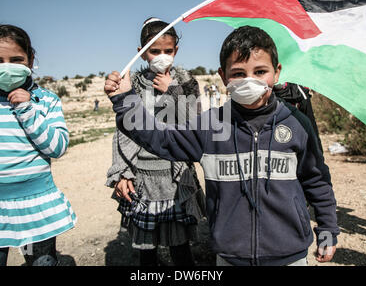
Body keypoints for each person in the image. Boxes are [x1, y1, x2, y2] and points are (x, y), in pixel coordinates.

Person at [104, 26, 339, 266]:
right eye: (238, 73)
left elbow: (317, 181)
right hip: (230, 257)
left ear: (276, 73)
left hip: (290, 256)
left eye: (260, 71)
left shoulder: (296, 124)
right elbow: (160, 139)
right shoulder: (210, 125)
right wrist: (124, 101)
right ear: (223, 76)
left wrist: (328, 231)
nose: (249, 81)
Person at [0, 24, 77, 266]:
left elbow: (58, 147)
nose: (6, 67)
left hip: (35, 207)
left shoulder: (46, 101)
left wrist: (27, 109)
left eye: (16, 59)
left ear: (30, 61)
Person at [105, 18, 205, 266]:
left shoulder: (186, 83)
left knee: (180, 248)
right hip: (144, 179)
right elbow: (126, 132)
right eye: (155, 51)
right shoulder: (133, 86)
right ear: (142, 53)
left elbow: (194, 125)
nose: (162, 56)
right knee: (146, 251)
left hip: (175, 178)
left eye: (167, 51)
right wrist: (122, 173)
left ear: (176, 51)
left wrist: (173, 91)